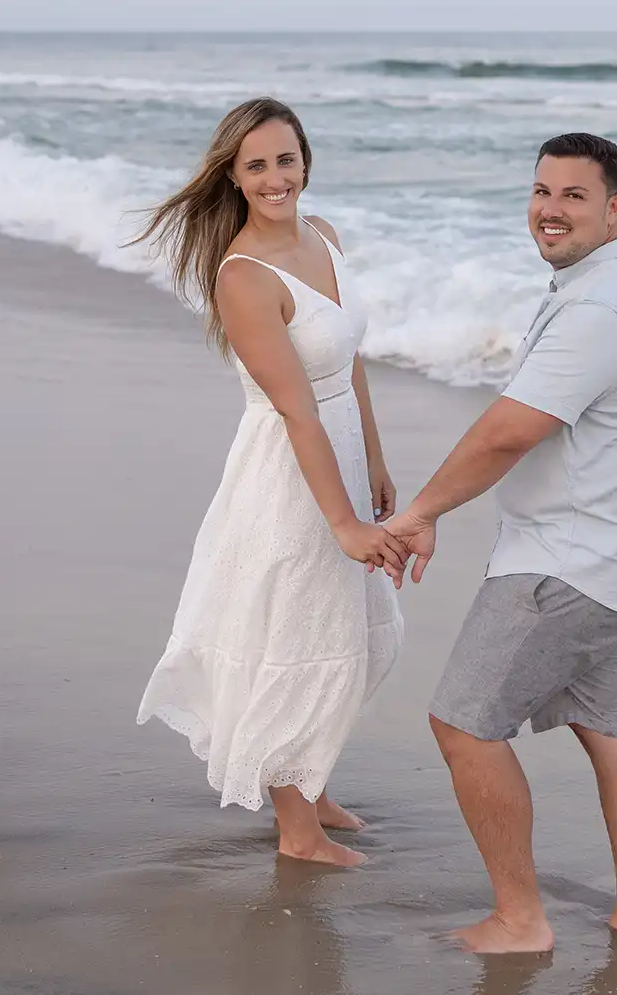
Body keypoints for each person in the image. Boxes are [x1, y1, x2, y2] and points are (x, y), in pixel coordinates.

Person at [385, 133, 617, 951]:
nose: (550, 209)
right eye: (541, 191)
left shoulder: (594, 310)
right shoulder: (612, 282)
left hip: (564, 564)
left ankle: (520, 918)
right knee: (611, 731)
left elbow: (508, 431)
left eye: (573, 195)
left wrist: (421, 512)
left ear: (615, 208)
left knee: (463, 724)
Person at [132, 97, 407, 868]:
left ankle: (311, 786)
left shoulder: (325, 236)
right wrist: (343, 523)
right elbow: (296, 410)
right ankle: (297, 831)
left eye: (286, 159)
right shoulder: (244, 276)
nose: (275, 177)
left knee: (343, 632)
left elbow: (347, 360)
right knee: (296, 634)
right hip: (289, 472)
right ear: (234, 176)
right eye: (256, 165)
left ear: (305, 161)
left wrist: (374, 460)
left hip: (339, 450)